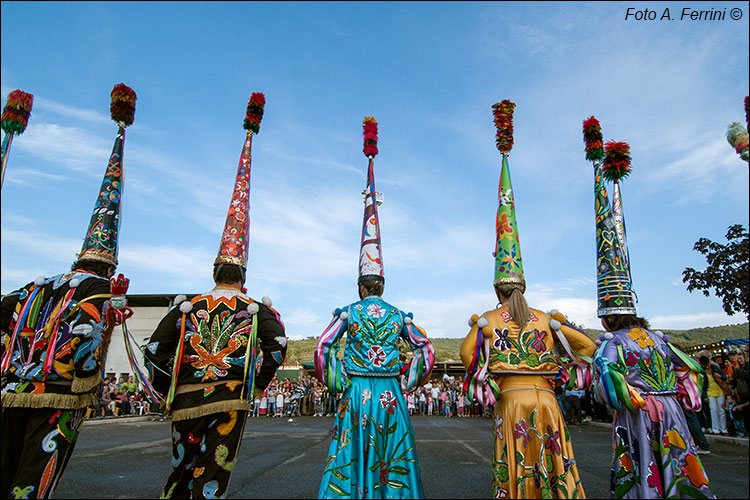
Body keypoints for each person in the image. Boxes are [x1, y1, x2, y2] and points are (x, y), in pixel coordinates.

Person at [144, 93, 288, 499]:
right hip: (230, 401)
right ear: (244, 276)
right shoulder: (256, 309)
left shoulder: (188, 307)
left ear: (213, 272)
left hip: (185, 400)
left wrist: (167, 386)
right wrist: (258, 384)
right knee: (212, 476)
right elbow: (277, 345)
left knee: (180, 472)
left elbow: (155, 348)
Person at [0, 83, 136, 500]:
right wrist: (86, 379)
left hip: (10, 394)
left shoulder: (34, 287)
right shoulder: (98, 289)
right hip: (58, 398)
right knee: (32, 484)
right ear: (109, 262)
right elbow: (86, 344)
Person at [461, 103, 596, 499]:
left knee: (518, 461)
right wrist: (562, 344)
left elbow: (469, 358)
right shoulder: (543, 317)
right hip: (549, 401)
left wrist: (479, 337)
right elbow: (586, 348)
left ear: (497, 287)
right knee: (554, 461)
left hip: (511, 402)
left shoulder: (488, 318)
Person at [588, 124, 714, 498]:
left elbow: (606, 385)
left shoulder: (613, 342)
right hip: (672, 411)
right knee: (678, 459)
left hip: (639, 414)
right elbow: (691, 375)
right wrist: (673, 396)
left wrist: (633, 398)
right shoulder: (658, 338)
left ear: (608, 315)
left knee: (642, 466)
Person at [315, 116, 435, 499]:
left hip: (357, 395)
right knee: (393, 454)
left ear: (360, 284)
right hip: (389, 394)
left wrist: (338, 379)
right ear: (382, 285)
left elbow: (322, 347)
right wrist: (407, 377)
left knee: (352, 453)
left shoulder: (347, 313)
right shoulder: (400, 316)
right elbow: (426, 348)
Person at [698, 350, 730, 435]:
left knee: (721, 410)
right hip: (710, 393)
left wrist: (719, 376)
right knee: (713, 411)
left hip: (720, 391)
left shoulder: (715, 367)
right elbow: (702, 385)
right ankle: (716, 429)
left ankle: (723, 428)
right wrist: (704, 396)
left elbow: (724, 377)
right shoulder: (701, 371)